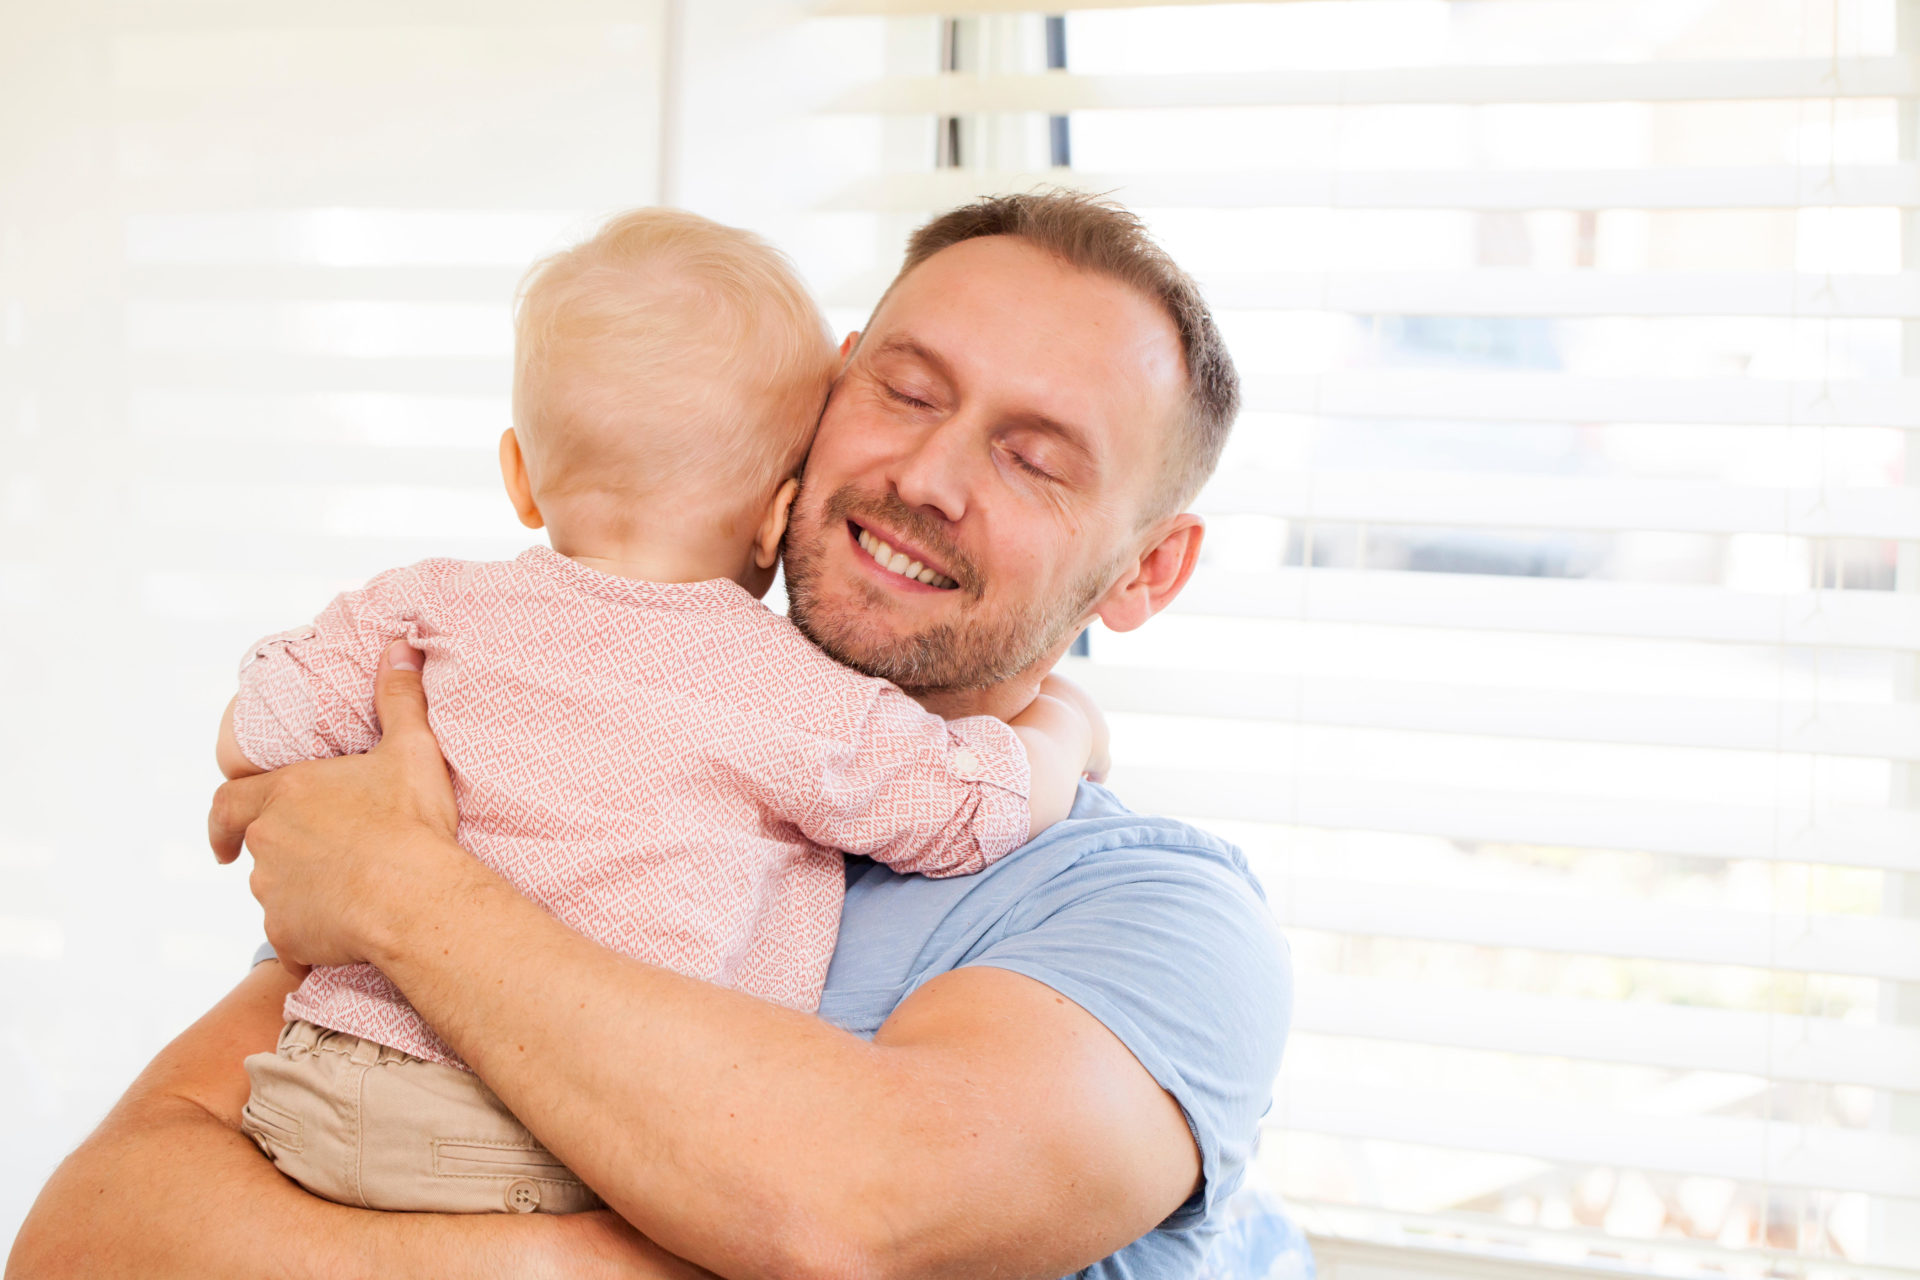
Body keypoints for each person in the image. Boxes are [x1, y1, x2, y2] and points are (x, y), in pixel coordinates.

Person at [8, 191, 1292, 1280]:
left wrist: (403, 892)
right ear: (818, 397)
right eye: (903, 390)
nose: (926, 476)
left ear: (1150, 568)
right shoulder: (508, 737)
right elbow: (90, 1239)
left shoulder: (1154, 916)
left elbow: (852, 1207)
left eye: (1034, 459)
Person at [213, 207, 1101, 1215]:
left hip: (326, 1087)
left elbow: (257, 728)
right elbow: (970, 805)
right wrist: (1067, 720)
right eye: (905, 394)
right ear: (779, 511)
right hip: (549, 1138)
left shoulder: (426, 609)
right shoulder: (790, 692)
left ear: (519, 476)